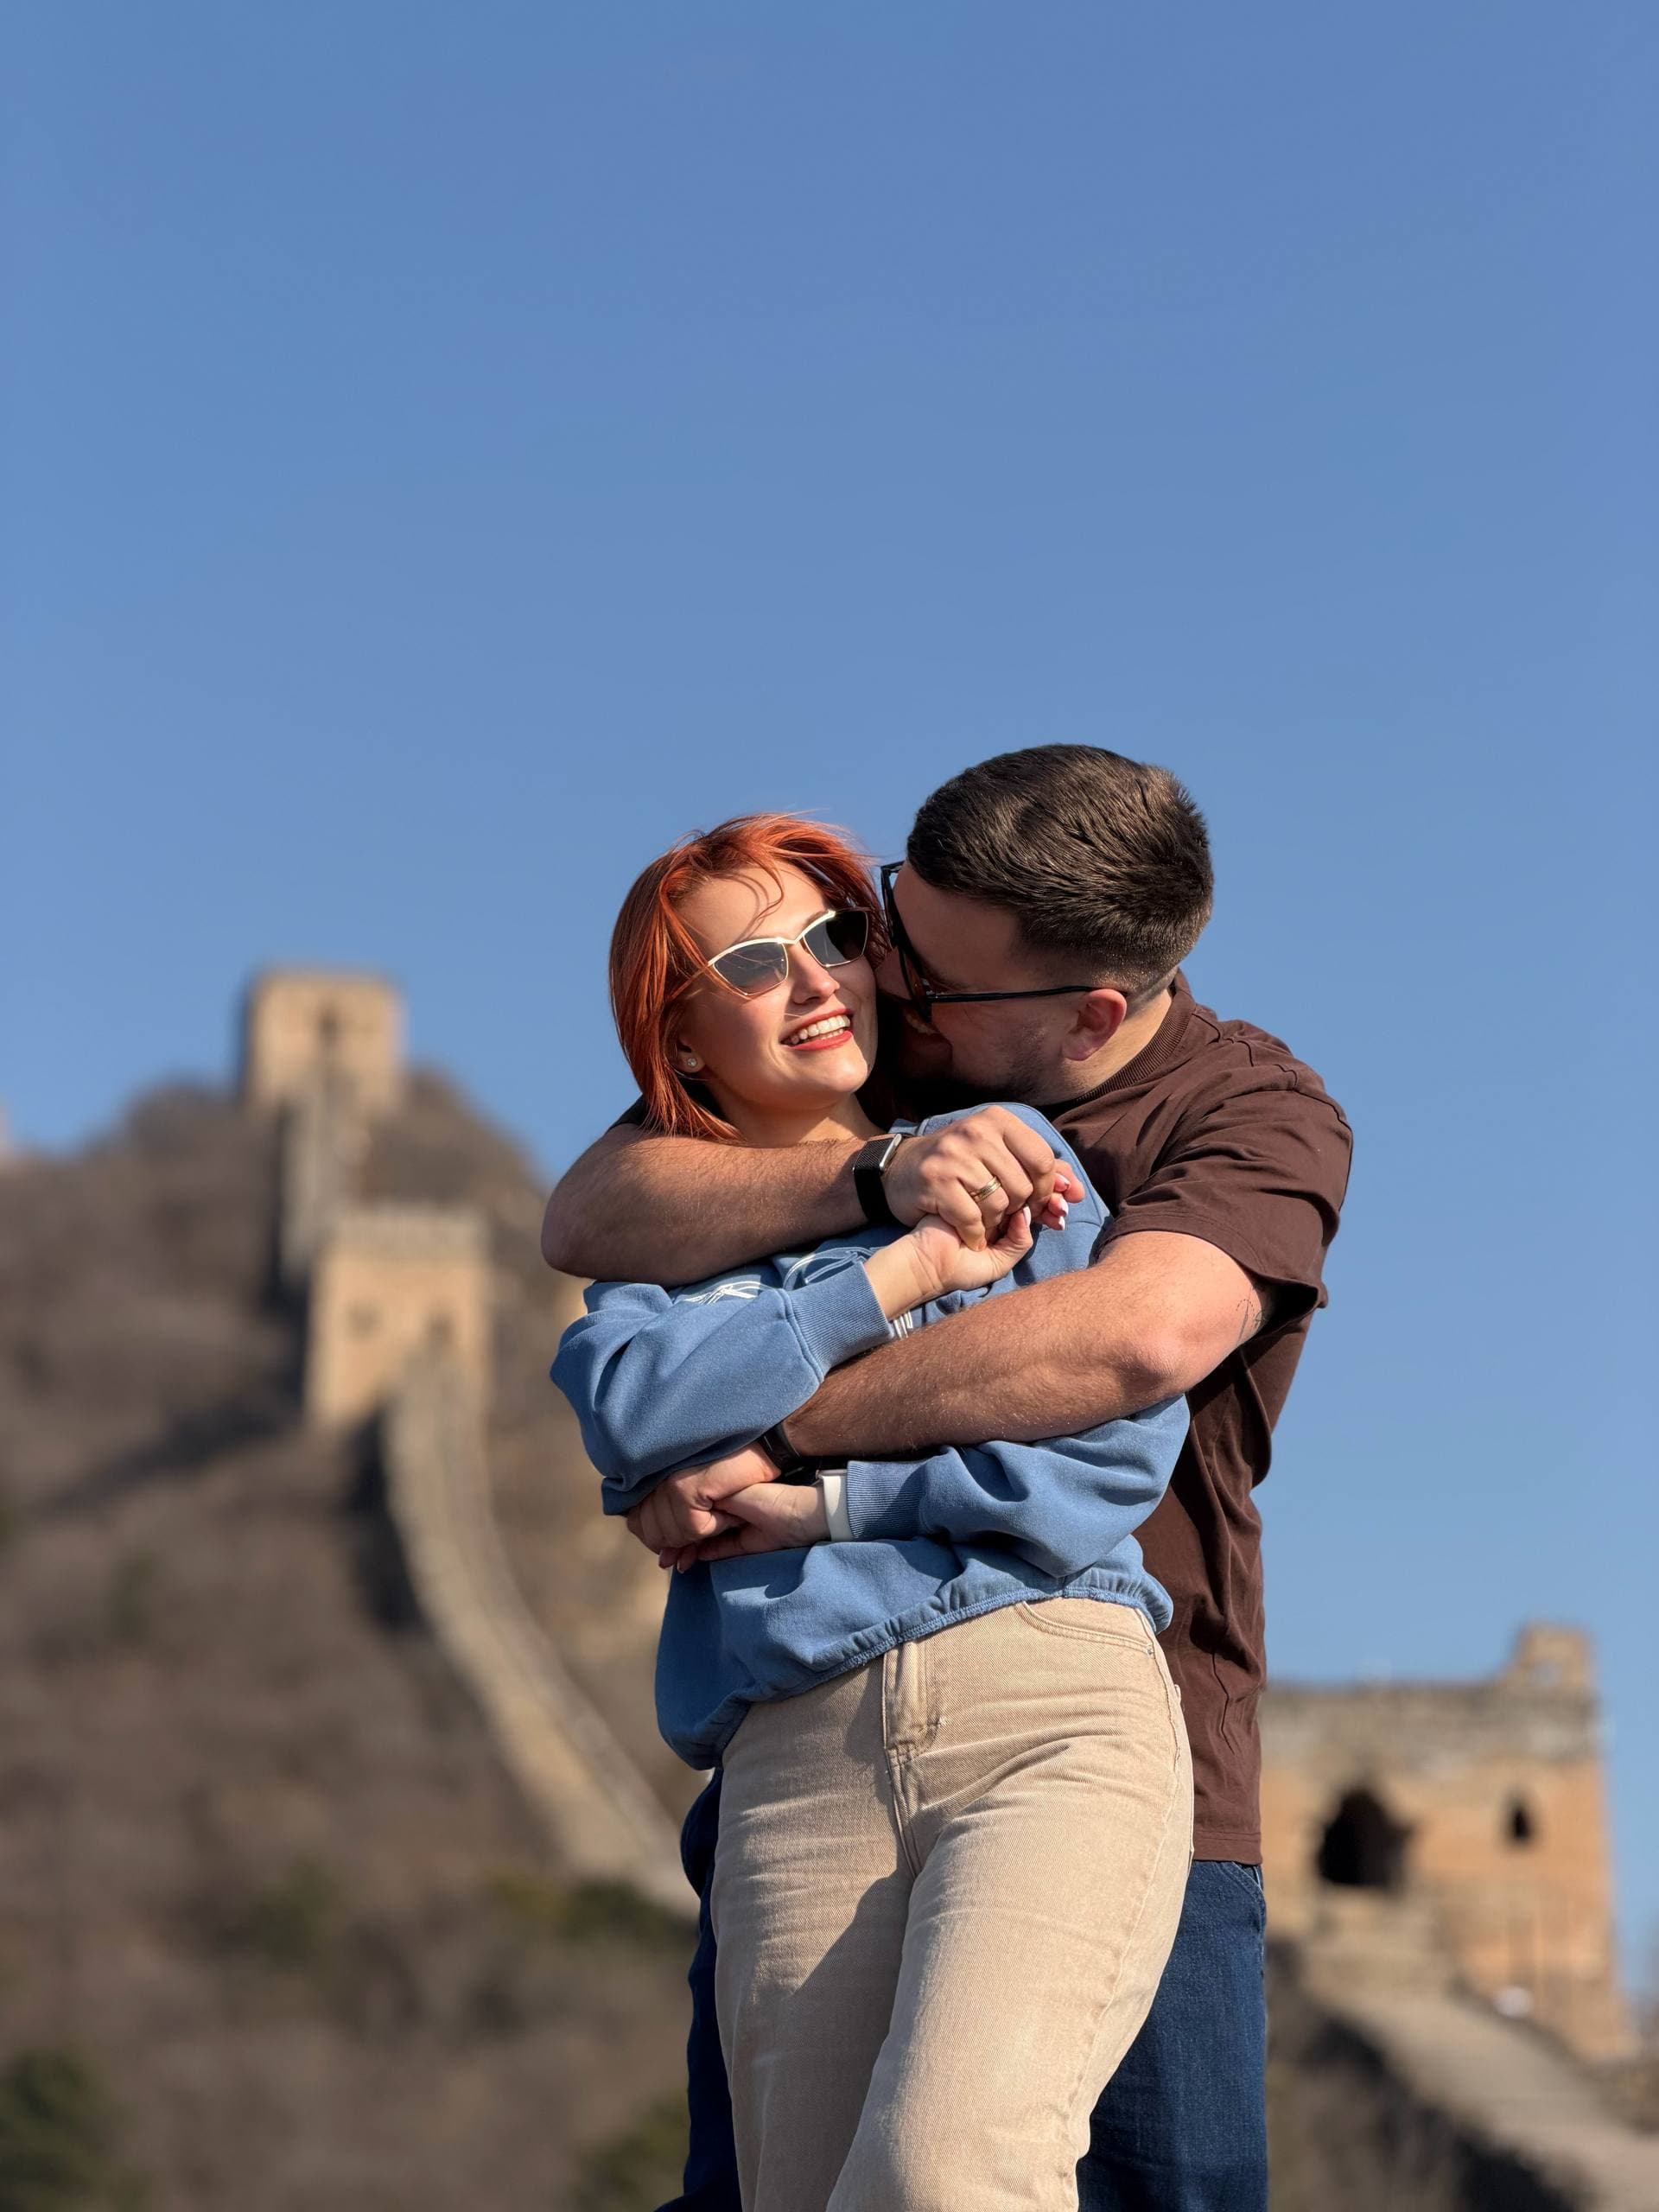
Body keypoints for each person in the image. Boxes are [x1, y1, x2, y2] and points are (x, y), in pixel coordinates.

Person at [543, 747, 1353, 2212]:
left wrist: (787, 1449)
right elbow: (598, 1211)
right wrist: (879, 1188)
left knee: (982, 2172)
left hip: (1114, 1711)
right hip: (802, 1725)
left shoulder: (1247, 1115)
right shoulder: (873, 1049)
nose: (870, 977)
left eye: (878, 944)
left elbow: (1134, 1351)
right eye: (886, 918)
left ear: (1086, 1013)